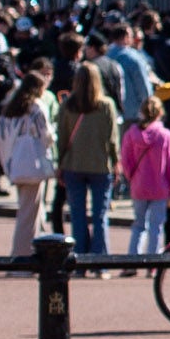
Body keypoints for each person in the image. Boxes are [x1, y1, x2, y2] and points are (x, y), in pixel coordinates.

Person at [55, 61, 119, 260]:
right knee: (100, 216)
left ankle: (80, 258)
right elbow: (112, 139)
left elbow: (62, 137)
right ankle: (100, 260)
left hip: (73, 164)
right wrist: (116, 161)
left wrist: (60, 163)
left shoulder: (67, 105)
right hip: (100, 165)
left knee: (78, 216)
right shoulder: (106, 105)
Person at [0, 66, 56, 259]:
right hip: (33, 164)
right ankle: (22, 256)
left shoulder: (10, 108)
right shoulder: (36, 107)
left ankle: (32, 253)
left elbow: (1, 137)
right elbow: (46, 135)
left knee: (29, 212)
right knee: (29, 215)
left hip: (16, 163)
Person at [120, 91, 170, 256]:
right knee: (156, 227)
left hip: (139, 185)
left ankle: (132, 260)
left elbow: (125, 160)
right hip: (159, 187)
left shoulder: (131, 134)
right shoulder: (165, 135)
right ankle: (153, 262)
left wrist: (131, 177)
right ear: (160, 113)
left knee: (139, 225)